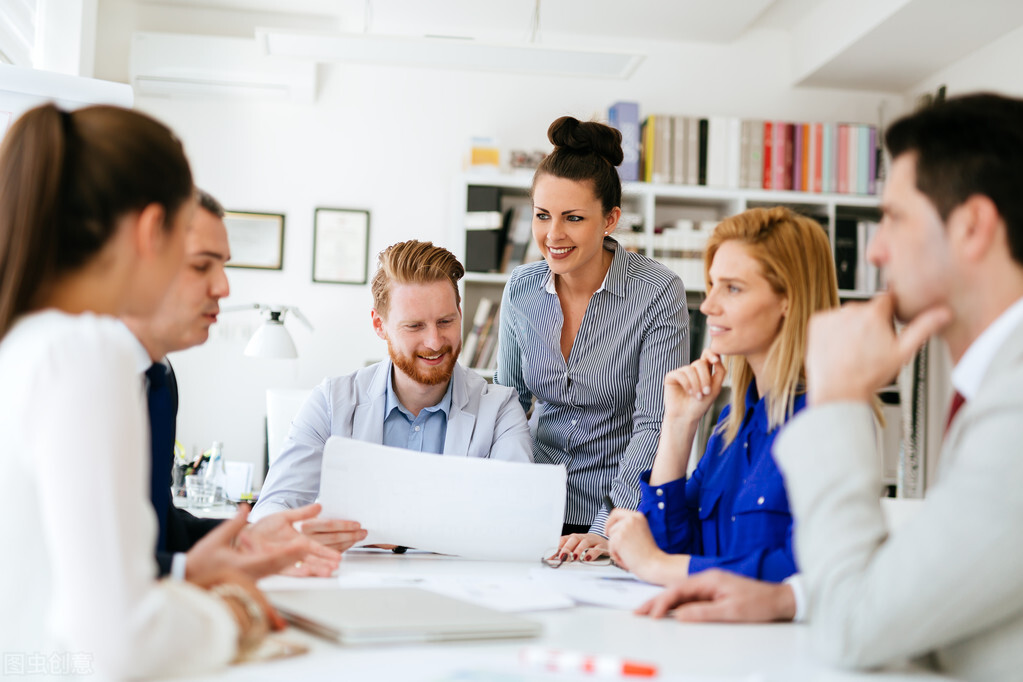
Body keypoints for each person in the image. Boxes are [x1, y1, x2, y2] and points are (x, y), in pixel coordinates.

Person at [638, 93, 1023, 682]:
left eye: (894, 218)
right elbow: (912, 598)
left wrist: (840, 400)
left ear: (972, 227)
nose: (874, 250)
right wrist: (791, 599)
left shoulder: (1014, 405)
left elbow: (855, 626)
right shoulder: (992, 387)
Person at [0, 104, 279, 678]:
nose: (221, 285)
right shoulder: (83, 353)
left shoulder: (26, 344)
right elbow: (120, 644)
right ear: (155, 230)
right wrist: (234, 612)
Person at [605, 207, 838, 586]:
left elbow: (805, 572)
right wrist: (678, 424)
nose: (709, 306)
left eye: (732, 288)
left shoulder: (825, 424)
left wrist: (654, 565)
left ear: (787, 300)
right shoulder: (731, 425)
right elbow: (670, 546)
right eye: (711, 285)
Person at [121, 189, 343, 582]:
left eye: (222, 266)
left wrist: (248, 537)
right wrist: (190, 572)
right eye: (202, 265)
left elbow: (156, 525)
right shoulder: (80, 375)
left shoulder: (159, 378)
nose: (224, 287)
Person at [252, 239, 532, 545]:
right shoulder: (332, 401)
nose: (435, 341)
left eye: (446, 321)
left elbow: (517, 520)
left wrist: (392, 535)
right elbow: (270, 510)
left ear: (460, 314)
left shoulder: (500, 409)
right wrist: (302, 533)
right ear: (379, 325)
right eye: (414, 326)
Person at [496, 116, 688, 557]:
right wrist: (503, 497)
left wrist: (608, 526)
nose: (553, 235)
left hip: (618, 511)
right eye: (542, 216)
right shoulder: (521, 289)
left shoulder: (657, 292)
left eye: (573, 218)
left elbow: (654, 422)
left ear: (610, 219)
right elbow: (509, 405)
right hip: (530, 505)